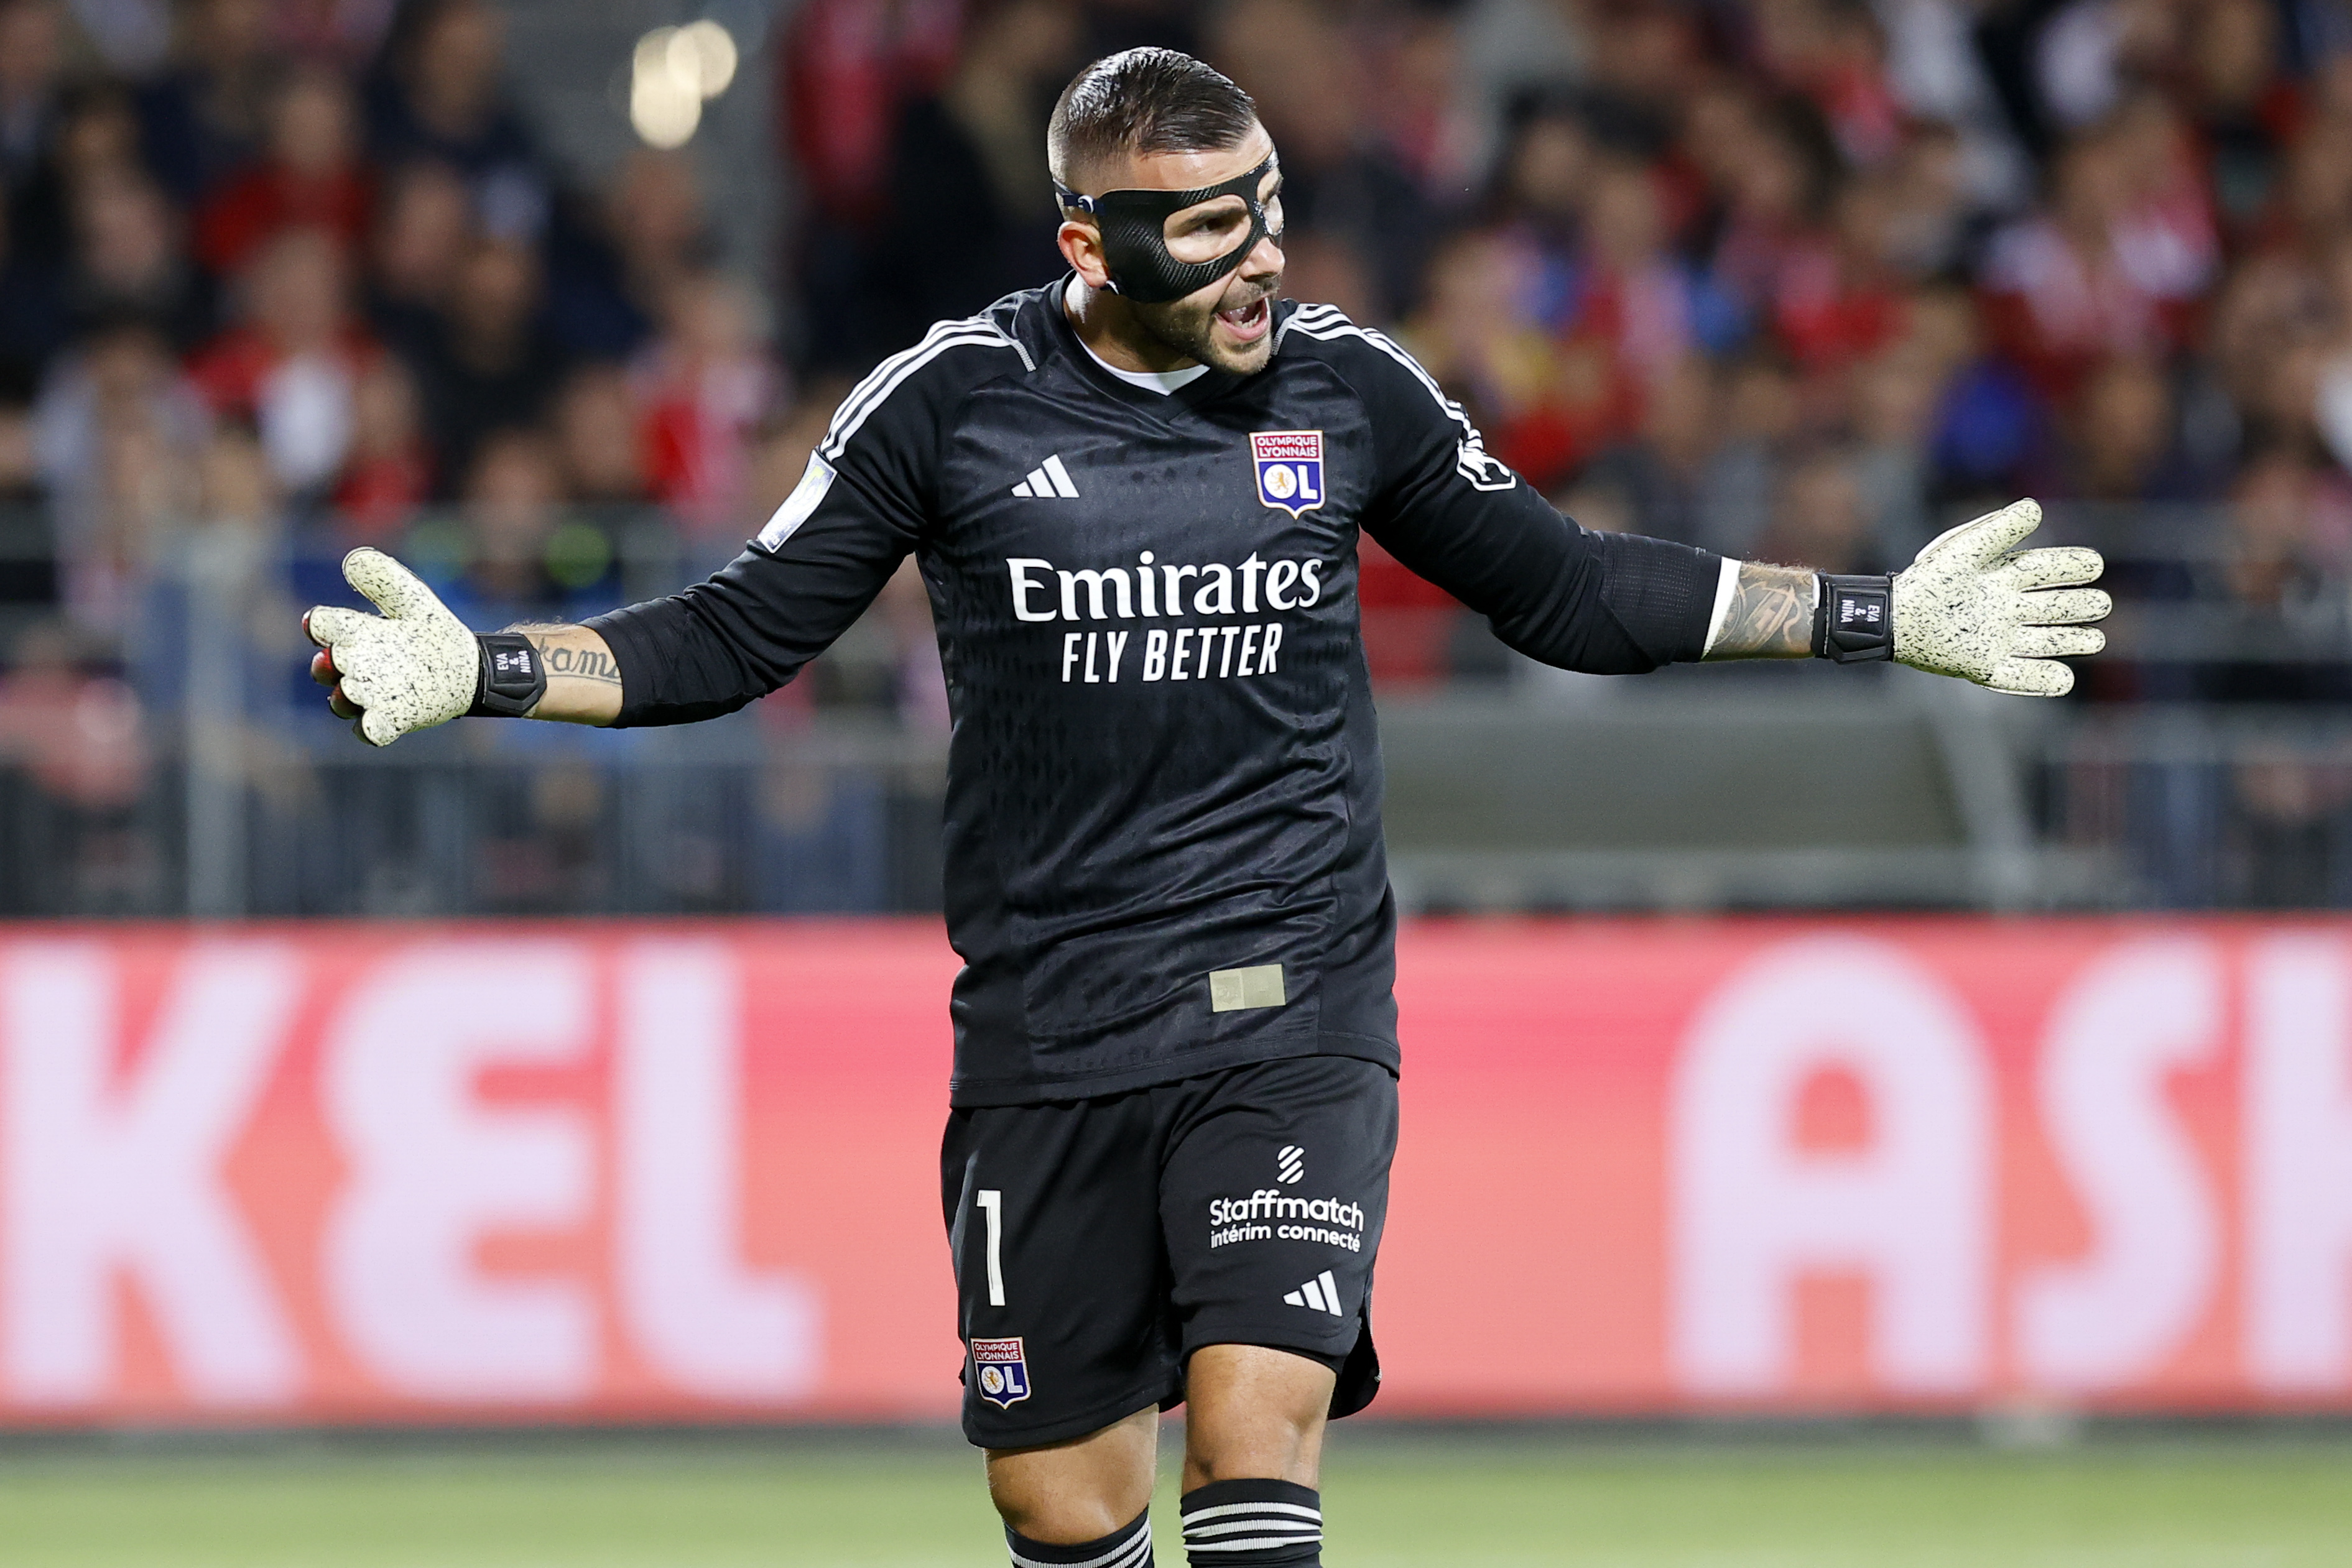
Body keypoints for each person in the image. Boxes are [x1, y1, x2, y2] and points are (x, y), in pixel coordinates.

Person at [302, 48, 2110, 1568]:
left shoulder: (1350, 388)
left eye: (1264, 203)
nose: (1256, 255)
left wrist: (1872, 615)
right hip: (1051, 1024)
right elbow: (736, 632)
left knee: (1260, 1433)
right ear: (1088, 237)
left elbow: (1563, 586)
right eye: (1204, 222)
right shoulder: (950, 408)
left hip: (1295, 1000)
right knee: (1066, 1496)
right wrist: (488, 669)